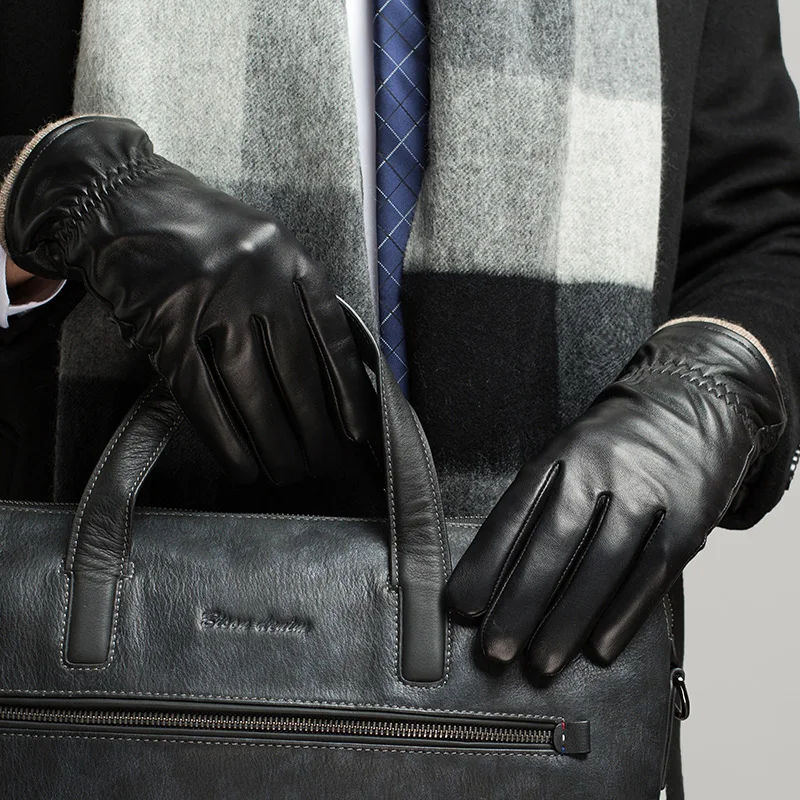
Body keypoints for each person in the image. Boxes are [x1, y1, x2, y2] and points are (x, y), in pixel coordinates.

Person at [1, 1, 799, 797]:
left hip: (540, 686)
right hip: (109, 719)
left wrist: (715, 381)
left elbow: (764, 223)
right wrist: (56, 190)